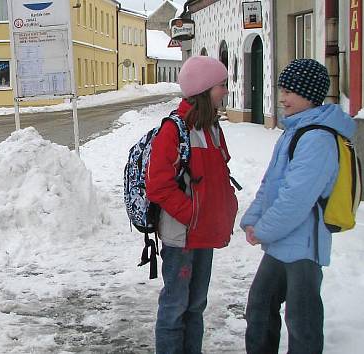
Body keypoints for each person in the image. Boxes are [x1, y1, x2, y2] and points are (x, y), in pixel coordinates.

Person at [240, 59, 355, 354]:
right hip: (283, 242)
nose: (282, 97)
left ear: (310, 94)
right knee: (260, 307)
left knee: (302, 321)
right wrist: (251, 219)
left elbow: (296, 199)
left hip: (304, 246)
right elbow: (271, 183)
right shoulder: (295, 131)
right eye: (282, 89)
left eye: (290, 91)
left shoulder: (317, 138)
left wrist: (263, 231)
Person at [146, 56, 239, 353]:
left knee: (196, 305)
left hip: (204, 233)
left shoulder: (213, 127)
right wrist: (193, 215)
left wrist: (227, 207)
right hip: (181, 236)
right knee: (175, 307)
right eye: (220, 85)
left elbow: (219, 174)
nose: (225, 90)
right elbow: (158, 186)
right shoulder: (174, 131)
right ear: (203, 89)